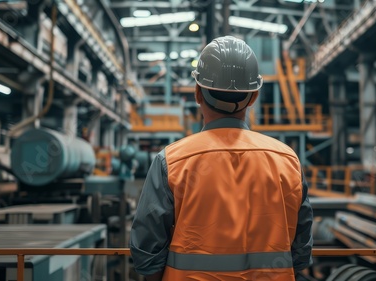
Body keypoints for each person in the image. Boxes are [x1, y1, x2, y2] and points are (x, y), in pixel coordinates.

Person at [129, 36, 313, 281]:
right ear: (254, 97)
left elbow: (147, 251)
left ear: (197, 93)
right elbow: (301, 252)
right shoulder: (287, 161)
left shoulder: (171, 162)